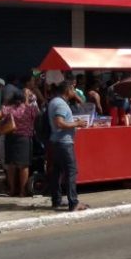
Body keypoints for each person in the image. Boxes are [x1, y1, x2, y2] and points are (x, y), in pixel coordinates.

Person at [48, 82, 89, 211]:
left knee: (57, 172)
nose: (75, 92)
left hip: (56, 142)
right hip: (64, 143)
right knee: (71, 172)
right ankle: (73, 203)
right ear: (67, 90)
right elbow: (59, 123)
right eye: (73, 90)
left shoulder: (54, 101)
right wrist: (77, 123)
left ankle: (57, 200)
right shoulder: (60, 104)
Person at [0, 89, 38, 197]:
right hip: (24, 139)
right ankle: (22, 191)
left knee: (11, 166)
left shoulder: (7, 109)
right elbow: (37, 116)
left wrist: (0, 130)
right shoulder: (30, 109)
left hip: (10, 138)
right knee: (24, 166)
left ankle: (12, 190)